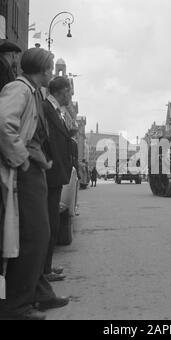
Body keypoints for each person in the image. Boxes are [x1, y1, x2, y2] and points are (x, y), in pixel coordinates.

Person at [0, 48, 68, 320]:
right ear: (40, 69)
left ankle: (39, 293)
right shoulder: (19, 89)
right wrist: (22, 159)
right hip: (23, 173)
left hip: (34, 170)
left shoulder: (34, 91)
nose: (52, 73)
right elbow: (4, 122)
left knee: (38, 235)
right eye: (50, 68)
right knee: (33, 237)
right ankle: (17, 306)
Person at [43, 77, 73, 282]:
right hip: (50, 174)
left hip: (55, 174)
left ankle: (46, 268)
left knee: (51, 223)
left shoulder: (55, 110)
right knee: (48, 224)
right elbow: (47, 140)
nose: (71, 95)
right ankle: (44, 271)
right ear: (62, 91)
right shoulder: (46, 108)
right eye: (69, 91)